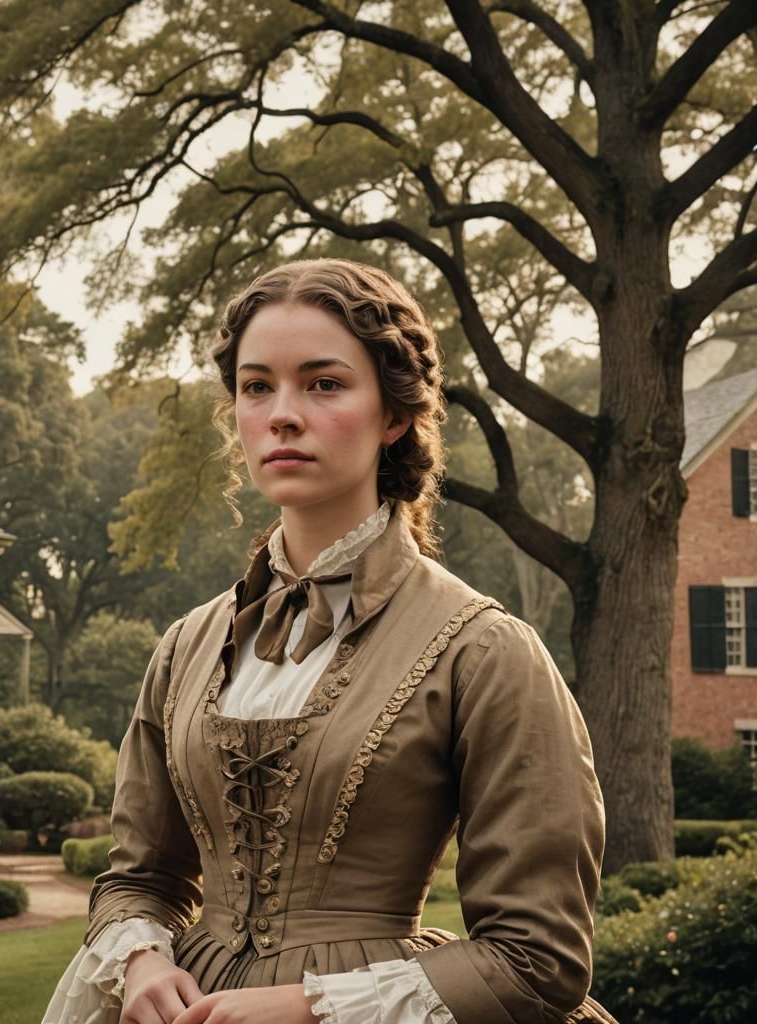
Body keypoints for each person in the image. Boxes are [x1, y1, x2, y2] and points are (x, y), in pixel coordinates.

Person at [41, 259, 614, 1024]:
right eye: (256, 386)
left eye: (324, 383)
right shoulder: (185, 647)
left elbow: (537, 958)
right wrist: (143, 959)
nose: (282, 414)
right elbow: (139, 877)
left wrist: (307, 1008)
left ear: (396, 414)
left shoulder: (484, 653)